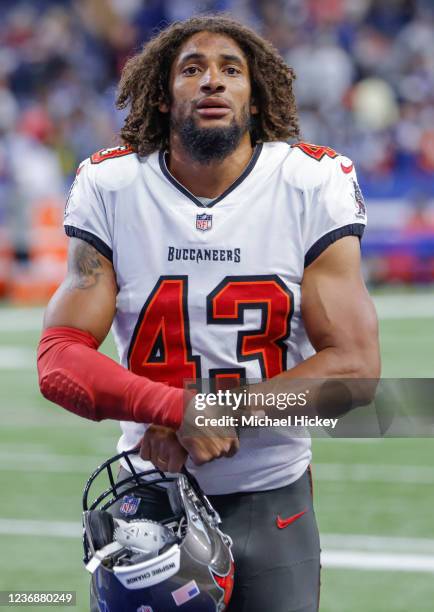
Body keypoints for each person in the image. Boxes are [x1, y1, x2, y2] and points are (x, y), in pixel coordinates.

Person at [37, 15, 380, 612]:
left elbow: (353, 372)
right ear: (165, 99)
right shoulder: (114, 184)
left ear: (255, 97)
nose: (212, 82)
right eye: (192, 69)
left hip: (269, 492)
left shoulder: (309, 182)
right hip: (151, 496)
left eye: (231, 70)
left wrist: (212, 414)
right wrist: (175, 409)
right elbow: (59, 359)